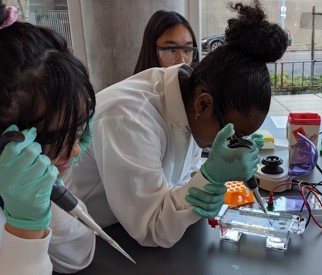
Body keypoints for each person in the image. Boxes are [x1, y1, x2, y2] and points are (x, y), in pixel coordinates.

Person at [65, 0, 288, 248]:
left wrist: (198, 185)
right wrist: (207, 180)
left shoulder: (190, 99)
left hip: (121, 226)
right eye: (235, 135)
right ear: (204, 105)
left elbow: (179, 182)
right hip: (81, 239)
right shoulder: (129, 119)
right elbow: (152, 230)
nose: (233, 145)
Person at [0, 2, 96, 273]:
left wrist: (50, 186)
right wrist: (23, 229)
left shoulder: (19, 183)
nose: (76, 150)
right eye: (62, 136)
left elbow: (76, 257)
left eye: (78, 130)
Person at [133, 10, 199, 74]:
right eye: (172, 50)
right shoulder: (132, 85)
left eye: (187, 50)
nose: (182, 61)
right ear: (151, 51)